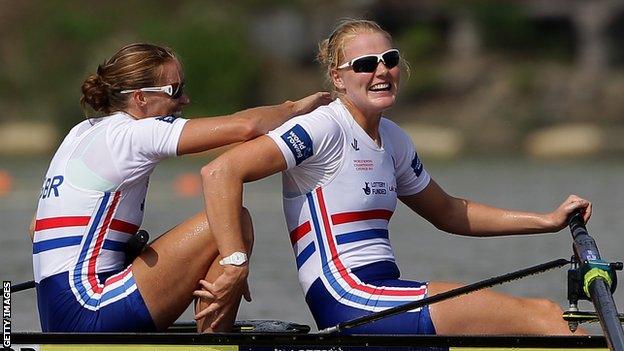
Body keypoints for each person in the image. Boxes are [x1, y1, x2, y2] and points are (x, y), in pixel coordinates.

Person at [197, 19, 592, 336]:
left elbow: (452, 213)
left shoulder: (394, 139)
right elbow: (221, 171)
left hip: (386, 293)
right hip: (347, 298)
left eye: (389, 59)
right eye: (365, 65)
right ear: (338, 78)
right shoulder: (322, 128)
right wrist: (235, 263)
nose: (381, 71)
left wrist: (547, 221)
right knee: (543, 316)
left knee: (551, 319)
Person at [30, 42, 331, 332]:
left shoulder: (80, 132)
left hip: (57, 312)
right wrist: (297, 108)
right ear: (140, 98)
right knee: (231, 221)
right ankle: (214, 342)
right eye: (175, 91)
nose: (184, 100)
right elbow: (246, 127)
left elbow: (35, 228)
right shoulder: (134, 134)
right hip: (89, 309)